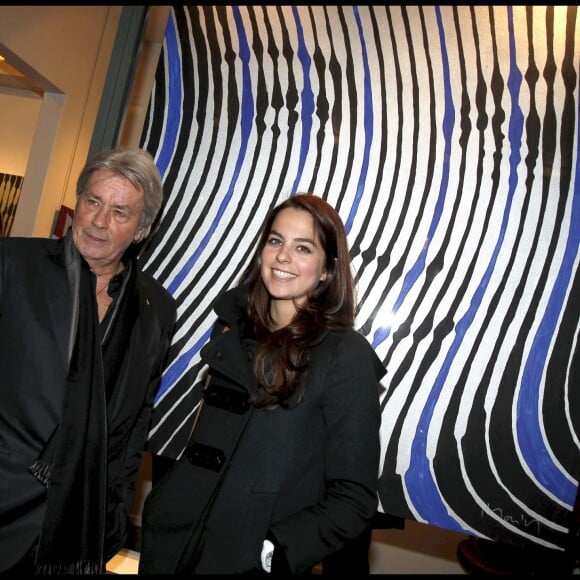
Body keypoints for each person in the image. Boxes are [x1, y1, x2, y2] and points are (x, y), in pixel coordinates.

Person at [139, 193, 386, 575]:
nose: (283, 256)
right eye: (275, 241)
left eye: (303, 247)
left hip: (247, 559)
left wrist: (274, 551)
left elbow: (352, 499)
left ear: (326, 270)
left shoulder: (344, 356)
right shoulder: (232, 328)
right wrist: (164, 504)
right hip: (173, 543)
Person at [0, 147, 177, 574]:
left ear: (141, 230)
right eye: (93, 201)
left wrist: (116, 509)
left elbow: (136, 420)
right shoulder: (13, 265)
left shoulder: (156, 308)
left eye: (120, 212)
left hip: (79, 526)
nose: (99, 221)